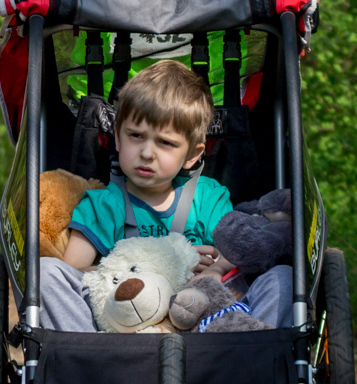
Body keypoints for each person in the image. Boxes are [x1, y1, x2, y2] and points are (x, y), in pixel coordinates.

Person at [38, 60, 291, 331]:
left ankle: (259, 360)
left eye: (165, 143)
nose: (147, 153)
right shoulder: (103, 205)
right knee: (46, 273)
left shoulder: (208, 198)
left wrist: (215, 269)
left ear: (192, 155)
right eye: (136, 136)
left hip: (199, 321)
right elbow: (74, 273)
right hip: (123, 326)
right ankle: (79, 359)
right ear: (118, 140)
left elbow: (231, 251)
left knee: (282, 278)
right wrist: (152, 266)